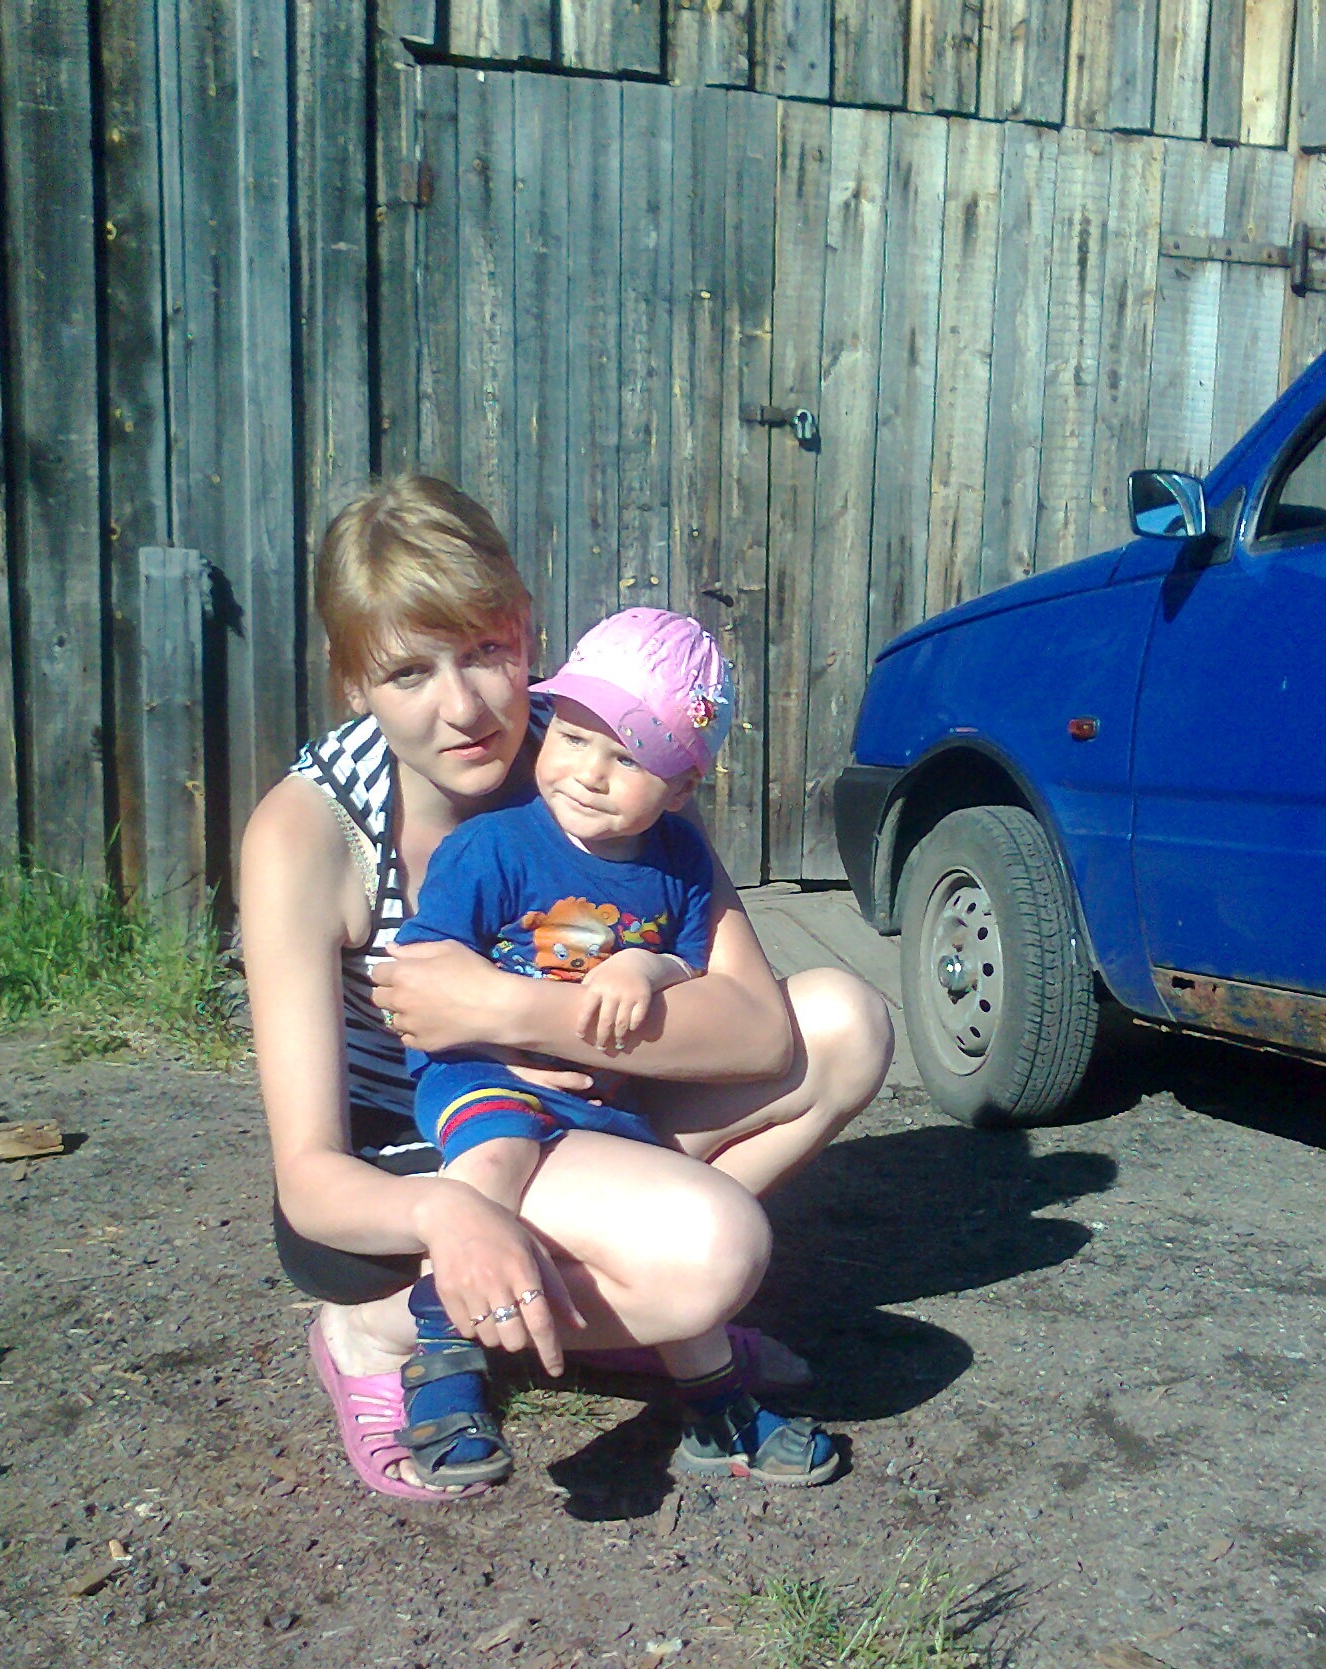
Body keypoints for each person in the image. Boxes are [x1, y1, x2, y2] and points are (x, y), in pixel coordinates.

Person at [238, 474, 893, 1504]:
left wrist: (511, 1009)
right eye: (408, 671)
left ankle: (607, 1304)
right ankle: (382, 1329)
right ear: (352, 680)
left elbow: (762, 1030)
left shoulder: (597, 750)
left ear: (529, 632)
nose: (464, 707)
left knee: (846, 1024)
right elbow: (309, 1177)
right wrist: (445, 1215)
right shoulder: (312, 832)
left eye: (487, 652)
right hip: (417, 1152)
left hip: (589, 1102)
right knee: (712, 1255)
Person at [394, 606, 837, 1489]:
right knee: (494, 1165)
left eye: (629, 759)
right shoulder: (492, 846)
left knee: (676, 1229)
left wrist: (648, 964)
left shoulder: (676, 862)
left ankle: (713, 1406)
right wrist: (502, 1035)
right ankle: (441, 1357)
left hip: (603, 1098)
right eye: (572, 737)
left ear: (680, 787)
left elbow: (700, 967)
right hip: (485, 1075)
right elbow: (426, 974)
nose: (589, 774)